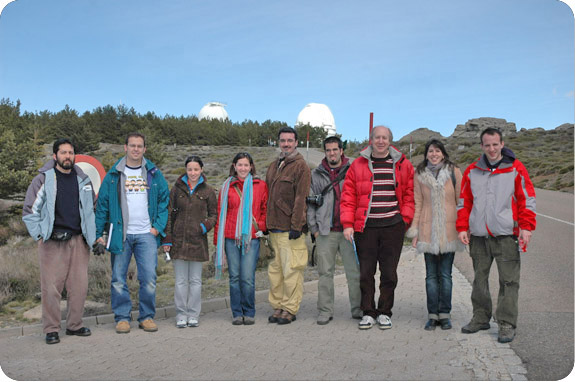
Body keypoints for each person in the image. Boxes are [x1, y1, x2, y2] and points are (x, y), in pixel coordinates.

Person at [457, 127, 536, 343]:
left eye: (495, 144)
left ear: (502, 144)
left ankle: (506, 324)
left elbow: (526, 200)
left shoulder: (516, 169)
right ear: (481, 146)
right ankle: (481, 317)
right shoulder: (472, 170)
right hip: (479, 237)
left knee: (509, 281)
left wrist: (526, 227)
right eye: (487, 145)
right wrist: (462, 227)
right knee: (479, 280)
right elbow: (464, 202)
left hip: (506, 236)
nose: (491, 149)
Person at [22, 138, 96, 344]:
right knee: (51, 288)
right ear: (55, 156)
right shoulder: (43, 180)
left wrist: (94, 236)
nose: (67, 156)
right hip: (52, 242)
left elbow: (92, 210)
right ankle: (51, 329)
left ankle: (75, 325)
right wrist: (39, 234)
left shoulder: (83, 180)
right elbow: (30, 210)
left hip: (79, 241)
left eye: (70, 153)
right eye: (63, 153)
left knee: (79, 287)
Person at [341, 125, 414, 330]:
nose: (380, 141)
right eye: (377, 137)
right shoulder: (358, 165)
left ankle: (384, 312)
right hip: (366, 227)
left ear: (390, 140)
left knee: (389, 273)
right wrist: (348, 224)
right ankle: (368, 312)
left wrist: (404, 219)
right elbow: (348, 196)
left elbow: (409, 193)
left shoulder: (402, 164)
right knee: (366, 273)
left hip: (393, 226)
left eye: (384, 137)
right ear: (371, 140)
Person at [95, 132, 169, 334]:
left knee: (149, 278)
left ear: (144, 149)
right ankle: (122, 318)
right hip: (121, 234)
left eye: (140, 146)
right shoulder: (113, 175)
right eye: (132, 145)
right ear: (125, 147)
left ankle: (146, 317)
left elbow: (164, 200)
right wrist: (99, 233)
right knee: (118, 278)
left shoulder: (154, 173)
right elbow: (102, 206)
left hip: (146, 234)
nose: (136, 149)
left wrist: (157, 228)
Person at [406, 139, 464, 331]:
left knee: (445, 275)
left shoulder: (454, 172)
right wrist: (415, 231)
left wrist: (464, 227)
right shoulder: (420, 174)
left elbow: (461, 201)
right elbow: (418, 203)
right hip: (427, 230)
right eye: (431, 151)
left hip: (449, 230)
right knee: (431, 276)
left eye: (437, 151)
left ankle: (445, 315)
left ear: (443, 153)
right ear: (426, 154)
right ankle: (432, 315)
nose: (434, 154)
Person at [307, 136, 361, 325]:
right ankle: (325, 310)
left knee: (354, 273)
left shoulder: (353, 169)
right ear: (325, 152)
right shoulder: (316, 174)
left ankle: (358, 309)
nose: (332, 153)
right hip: (325, 232)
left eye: (335, 149)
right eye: (328, 150)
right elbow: (311, 203)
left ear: (341, 151)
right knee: (325, 273)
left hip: (349, 230)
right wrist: (314, 228)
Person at [162, 156, 217, 328]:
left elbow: (214, 215)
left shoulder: (208, 191)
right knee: (180, 280)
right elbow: (169, 214)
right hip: (178, 240)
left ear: (201, 170)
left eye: (196, 169)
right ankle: (181, 314)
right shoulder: (176, 189)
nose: (192, 173)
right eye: (189, 169)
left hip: (197, 241)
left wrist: (204, 227)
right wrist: (168, 239)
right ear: (186, 170)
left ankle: (193, 314)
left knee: (195, 280)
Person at [214, 153, 268, 325]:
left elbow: (266, 209)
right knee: (235, 276)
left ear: (251, 166)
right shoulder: (226, 187)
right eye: (240, 165)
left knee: (247, 277)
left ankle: (249, 311)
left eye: (246, 165)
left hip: (250, 238)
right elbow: (220, 215)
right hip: (230, 238)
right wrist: (218, 241)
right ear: (234, 166)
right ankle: (237, 313)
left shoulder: (260, 185)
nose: (243, 168)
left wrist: (260, 225)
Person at [265, 126, 311, 325]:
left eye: (289, 141)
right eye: (282, 140)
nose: (286, 144)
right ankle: (278, 306)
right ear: (278, 142)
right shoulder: (274, 166)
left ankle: (290, 308)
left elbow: (302, 198)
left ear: (296, 143)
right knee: (276, 272)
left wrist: (296, 225)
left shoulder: (301, 166)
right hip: (274, 228)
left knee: (291, 270)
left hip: (290, 230)